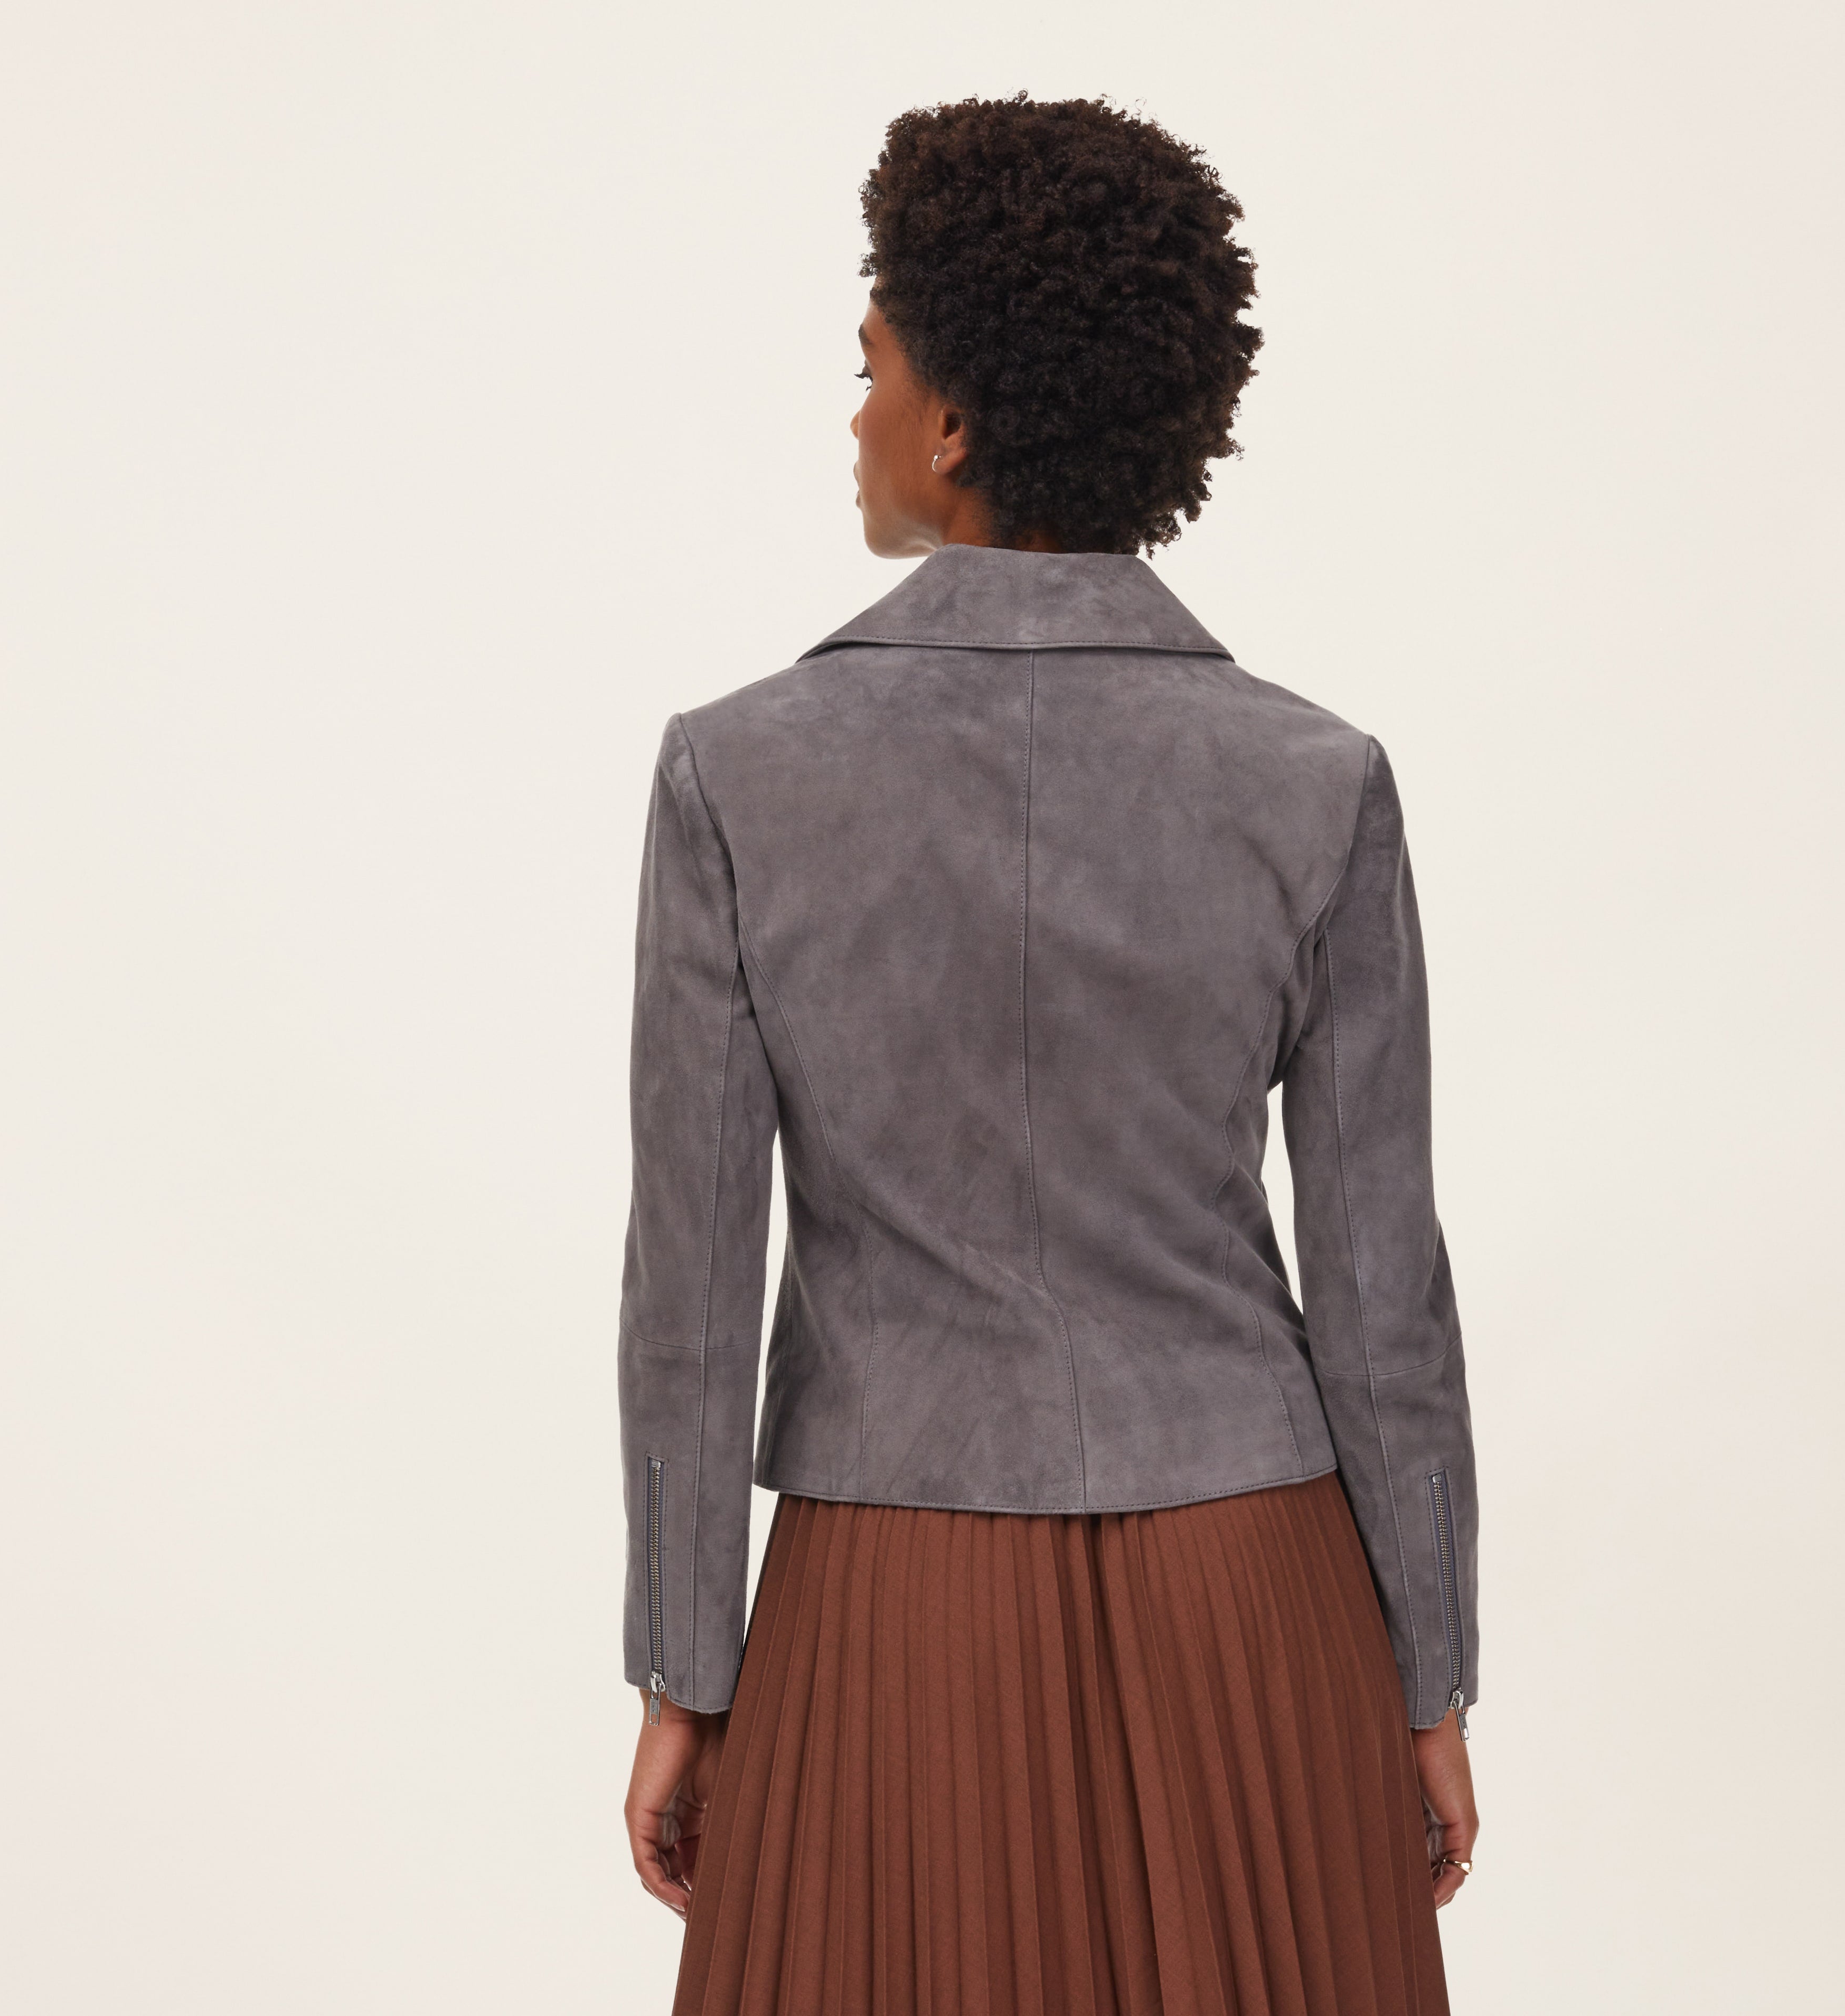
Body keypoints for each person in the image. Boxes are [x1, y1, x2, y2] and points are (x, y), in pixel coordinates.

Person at [618, 93, 1480, 2016]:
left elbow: (690, 1289)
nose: (852, 413)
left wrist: (686, 1664)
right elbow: (1381, 1295)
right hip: (1253, 1594)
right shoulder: (1314, 779)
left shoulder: (736, 773)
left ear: (948, 424)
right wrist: (1426, 1671)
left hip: (888, 1603)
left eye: (868, 367)